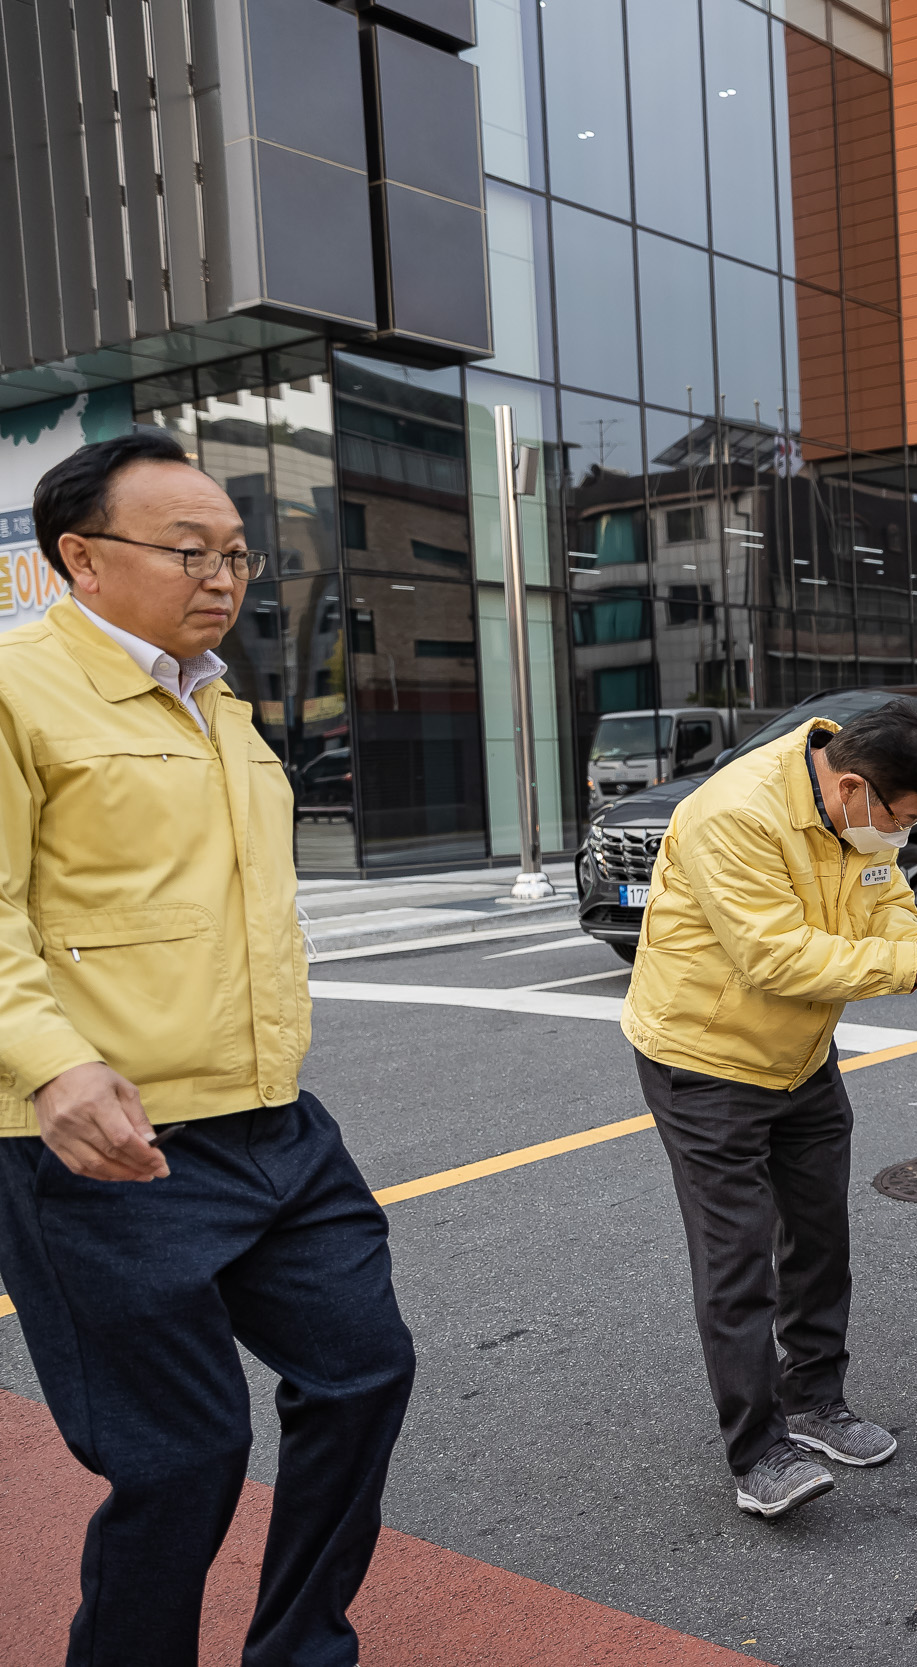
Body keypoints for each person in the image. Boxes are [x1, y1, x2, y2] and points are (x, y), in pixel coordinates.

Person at [0, 430, 416, 1664]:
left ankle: (300, 1647)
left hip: (274, 1122)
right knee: (181, 1457)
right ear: (80, 555)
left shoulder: (221, 701)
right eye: (190, 551)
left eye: (237, 554)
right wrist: (50, 1058)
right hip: (98, 1143)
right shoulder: (18, 690)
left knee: (363, 1372)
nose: (224, 576)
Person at [622, 701, 917, 1519]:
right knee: (738, 1254)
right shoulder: (735, 813)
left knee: (820, 1233)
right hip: (704, 1058)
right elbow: (773, 954)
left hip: (801, 1057)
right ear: (854, 787)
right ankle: (758, 1452)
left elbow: (888, 898)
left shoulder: (855, 816)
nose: (901, 836)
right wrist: (908, 966)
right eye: (900, 818)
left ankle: (814, 1399)